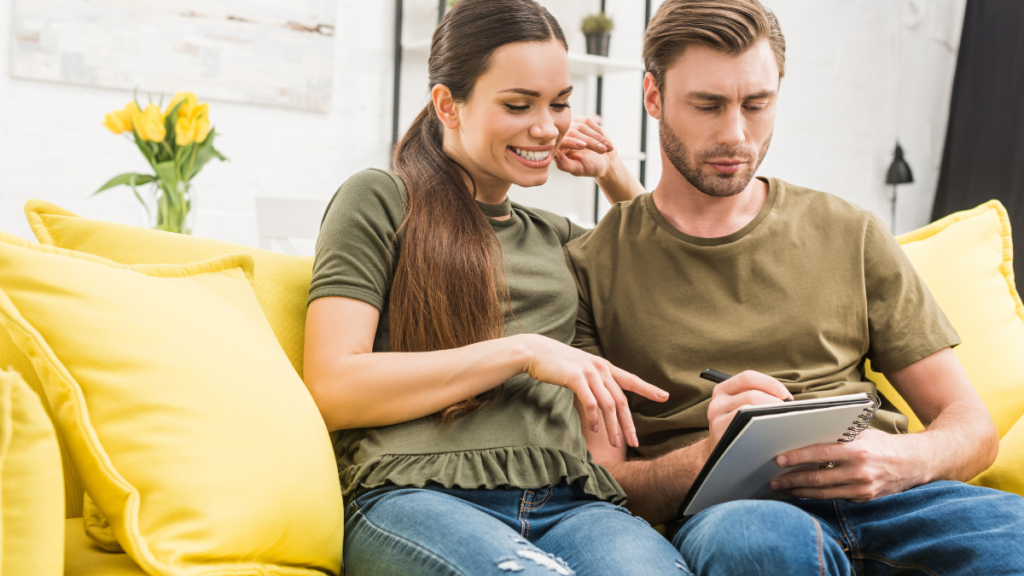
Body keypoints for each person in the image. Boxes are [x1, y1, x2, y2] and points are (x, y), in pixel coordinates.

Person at [564, 0, 1024, 574]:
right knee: (757, 543)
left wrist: (899, 459)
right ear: (654, 98)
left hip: (896, 499)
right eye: (707, 105)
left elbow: (970, 424)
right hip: (739, 512)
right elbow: (606, 487)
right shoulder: (588, 267)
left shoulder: (848, 231)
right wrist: (712, 455)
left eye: (757, 104)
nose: (736, 134)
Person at [303, 1, 689, 574]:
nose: (547, 126)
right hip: (416, 494)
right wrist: (523, 351)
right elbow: (332, 386)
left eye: (559, 103)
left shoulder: (556, 238)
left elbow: (680, 275)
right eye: (518, 104)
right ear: (447, 105)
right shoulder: (381, 199)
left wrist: (613, 174)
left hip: (571, 504)